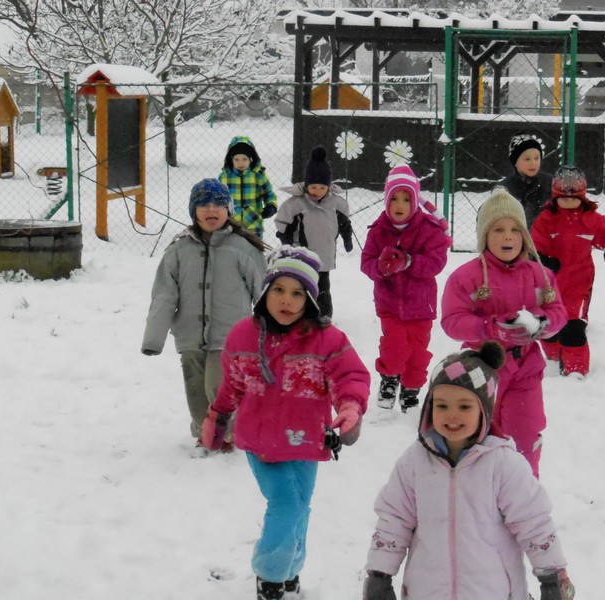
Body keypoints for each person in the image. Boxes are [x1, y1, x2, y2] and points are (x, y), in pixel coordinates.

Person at [200, 245, 370, 600]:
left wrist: (350, 409)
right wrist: (218, 417)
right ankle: (270, 575)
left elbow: (350, 377)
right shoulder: (243, 335)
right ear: (265, 292)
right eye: (278, 289)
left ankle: (291, 569)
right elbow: (232, 384)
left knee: (300, 507)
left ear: (311, 300)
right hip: (260, 442)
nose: (286, 300)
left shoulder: (327, 339)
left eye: (297, 293)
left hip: (306, 441)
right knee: (286, 505)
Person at [363, 342, 574, 600]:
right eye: (442, 406)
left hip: (493, 592)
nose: (452, 415)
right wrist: (379, 574)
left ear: (484, 411)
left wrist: (552, 576)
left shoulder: (503, 464)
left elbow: (534, 523)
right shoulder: (415, 462)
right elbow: (394, 520)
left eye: (464, 406)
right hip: (427, 592)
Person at [441, 188, 567, 477]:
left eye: (514, 229)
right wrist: (491, 327)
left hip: (526, 367)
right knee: (481, 433)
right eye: (498, 230)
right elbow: (452, 320)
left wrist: (542, 323)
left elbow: (559, 312)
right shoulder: (467, 277)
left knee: (526, 430)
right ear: (485, 235)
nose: (507, 237)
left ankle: (523, 487)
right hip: (482, 367)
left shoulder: (540, 275)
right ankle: (477, 487)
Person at [141, 178, 266, 454]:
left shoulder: (244, 248)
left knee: (219, 386)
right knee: (196, 389)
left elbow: (264, 292)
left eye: (218, 204)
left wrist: (272, 332)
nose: (211, 210)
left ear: (228, 210)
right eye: (204, 205)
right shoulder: (178, 250)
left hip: (230, 334)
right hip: (189, 334)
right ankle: (204, 432)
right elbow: (164, 295)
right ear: (193, 211)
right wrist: (153, 338)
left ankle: (228, 433)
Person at [360, 164, 452, 412]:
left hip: (421, 307)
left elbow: (436, 262)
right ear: (386, 200)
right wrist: (381, 268)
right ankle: (389, 378)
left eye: (406, 199)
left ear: (415, 201)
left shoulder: (428, 229)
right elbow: (366, 262)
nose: (399, 205)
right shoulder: (379, 230)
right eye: (394, 198)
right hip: (390, 305)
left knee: (418, 354)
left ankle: (411, 389)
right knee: (394, 346)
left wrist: (409, 262)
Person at [530, 165, 605, 377]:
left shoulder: (590, 219)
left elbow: (603, 233)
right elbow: (535, 247)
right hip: (549, 285)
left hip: (579, 284)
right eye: (563, 199)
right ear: (555, 197)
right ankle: (554, 356)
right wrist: (543, 260)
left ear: (582, 197)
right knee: (549, 328)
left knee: (573, 329)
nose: (569, 202)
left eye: (574, 199)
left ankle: (575, 372)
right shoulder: (546, 220)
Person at [275, 145, 353, 320]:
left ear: (328, 187)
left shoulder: (337, 204)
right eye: (313, 187)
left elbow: (345, 224)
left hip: (324, 257)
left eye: (322, 188)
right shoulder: (296, 204)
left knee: (323, 288)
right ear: (306, 185)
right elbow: (283, 225)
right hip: (301, 257)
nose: (317, 192)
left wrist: (347, 240)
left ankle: (324, 317)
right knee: (301, 287)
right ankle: (300, 315)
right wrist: (287, 242)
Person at [218, 135, 278, 238]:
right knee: (231, 246)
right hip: (231, 223)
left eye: (244, 159)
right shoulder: (225, 177)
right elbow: (218, 197)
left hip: (254, 222)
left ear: (250, 159)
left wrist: (271, 205)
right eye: (236, 159)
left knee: (253, 246)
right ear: (231, 159)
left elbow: (269, 193)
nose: (240, 163)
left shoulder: (258, 176)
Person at [500, 132, 553, 229]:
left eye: (537, 158)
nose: (533, 163)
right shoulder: (504, 188)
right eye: (527, 159)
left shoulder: (551, 184)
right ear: (515, 162)